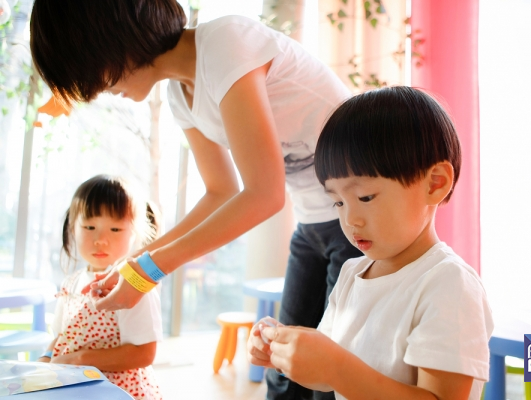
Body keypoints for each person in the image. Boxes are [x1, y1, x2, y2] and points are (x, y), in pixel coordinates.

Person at [29, 1, 362, 398]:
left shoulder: (225, 43)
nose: (100, 90)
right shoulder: (178, 96)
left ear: (110, 37)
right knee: (282, 368)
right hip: (312, 224)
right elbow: (220, 192)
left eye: (91, 74)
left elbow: (264, 194)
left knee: (327, 373)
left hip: (361, 223)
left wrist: (149, 271)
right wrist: (134, 265)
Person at [247, 86, 494, 400]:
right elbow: (326, 373)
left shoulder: (448, 285)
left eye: (365, 197)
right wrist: (283, 349)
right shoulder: (352, 273)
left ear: (435, 183)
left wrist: (336, 368)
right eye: (337, 202)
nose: (351, 220)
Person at [38, 175, 163, 400]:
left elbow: (144, 353)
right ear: (72, 228)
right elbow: (60, 337)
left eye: (115, 229)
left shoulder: (133, 284)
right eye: (90, 226)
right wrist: (45, 360)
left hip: (118, 391)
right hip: (77, 388)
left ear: (135, 233)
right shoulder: (71, 282)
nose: (101, 239)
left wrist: (81, 359)